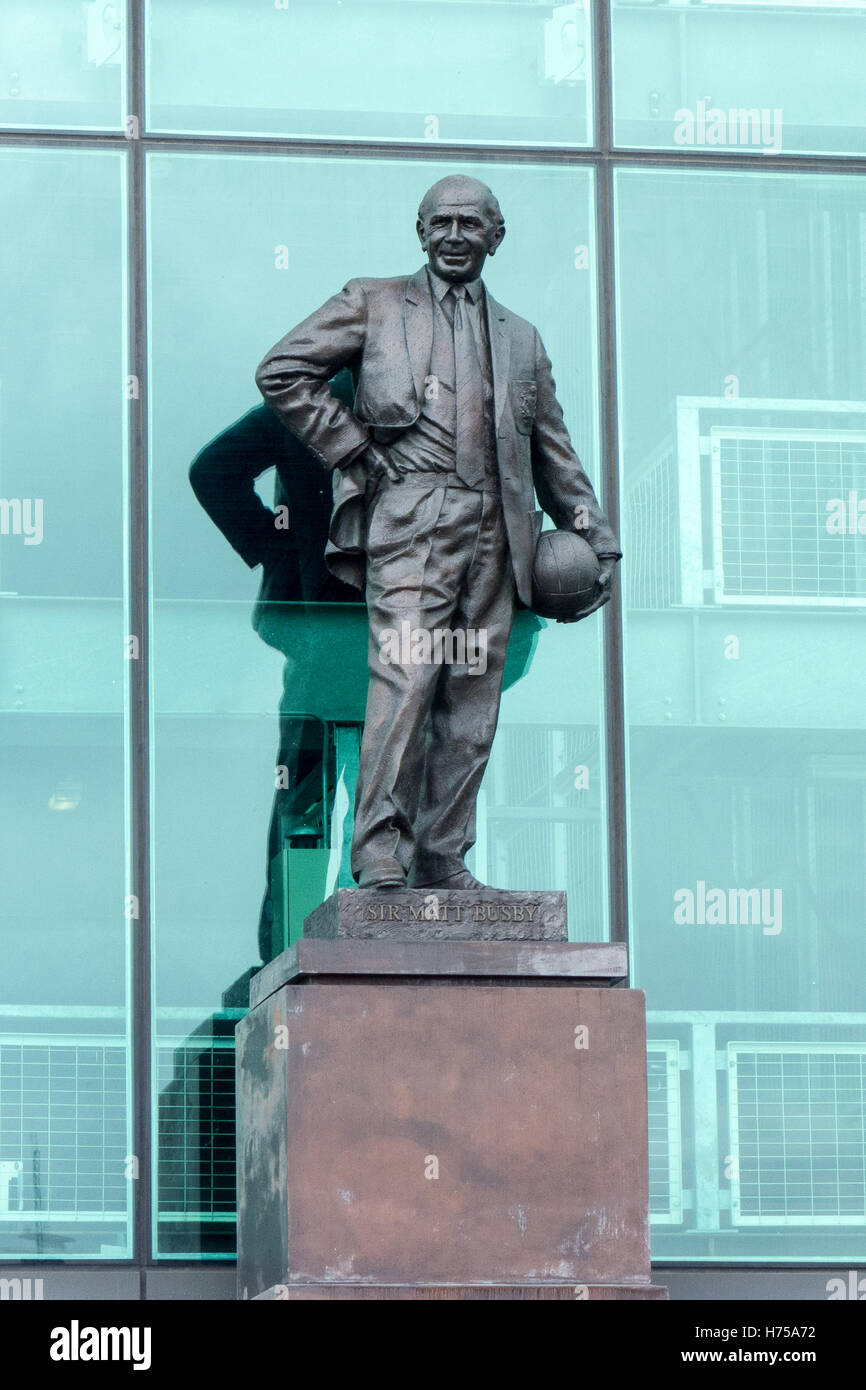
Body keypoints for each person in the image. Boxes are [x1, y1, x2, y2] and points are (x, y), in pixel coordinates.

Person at [255, 174, 621, 891]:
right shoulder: (374, 301)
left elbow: (555, 453)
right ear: (420, 232)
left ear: (496, 236)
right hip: (413, 521)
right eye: (442, 223)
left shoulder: (523, 338)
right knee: (408, 676)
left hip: (498, 532)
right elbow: (282, 369)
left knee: (471, 695)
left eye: (470, 224)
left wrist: (594, 535)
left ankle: (443, 855)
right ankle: (380, 852)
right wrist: (354, 448)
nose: (455, 236)